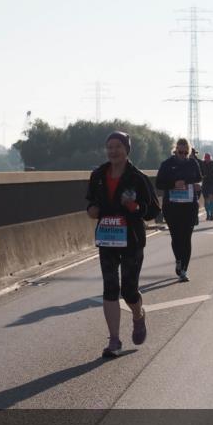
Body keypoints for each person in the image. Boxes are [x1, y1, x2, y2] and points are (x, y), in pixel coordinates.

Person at [85, 131, 159, 357]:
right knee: (110, 288)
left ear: (127, 150)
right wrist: (92, 211)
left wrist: (135, 208)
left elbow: (153, 211)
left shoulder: (137, 178)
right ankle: (114, 340)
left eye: (118, 146)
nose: (113, 151)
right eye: (109, 147)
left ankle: (138, 316)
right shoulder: (98, 175)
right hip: (107, 239)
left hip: (132, 240)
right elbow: (90, 204)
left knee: (128, 290)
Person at [155, 138, 202, 282]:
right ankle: (178, 260)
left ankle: (184, 270)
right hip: (172, 207)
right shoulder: (167, 164)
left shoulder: (193, 163)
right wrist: (173, 184)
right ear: (175, 150)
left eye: (185, 152)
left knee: (186, 238)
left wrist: (197, 185)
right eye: (180, 152)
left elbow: (200, 179)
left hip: (189, 207)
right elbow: (158, 184)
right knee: (176, 237)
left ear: (189, 152)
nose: (182, 155)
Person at [200, 152, 213, 220]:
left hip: (212, 182)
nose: (207, 159)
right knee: (206, 199)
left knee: (211, 197)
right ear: (204, 158)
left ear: (210, 158)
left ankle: (212, 215)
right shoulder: (202, 163)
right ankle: (208, 214)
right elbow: (199, 172)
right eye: (206, 158)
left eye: (208, 158)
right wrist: (201, 176)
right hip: (205, 182)